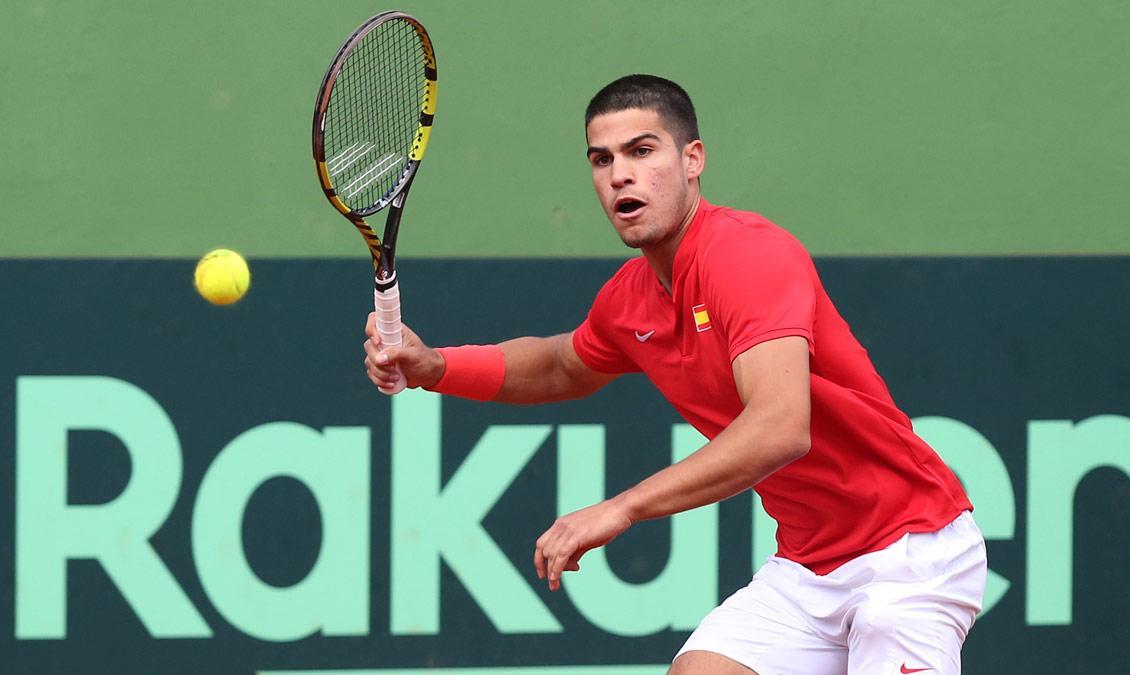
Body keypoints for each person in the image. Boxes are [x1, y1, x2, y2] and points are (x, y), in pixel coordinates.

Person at [363, 74, 986, 675]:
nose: (620, 175)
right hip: (810, 568)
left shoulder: (747, 255)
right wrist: (435, 366)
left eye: (641, 151)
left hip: (910, 555)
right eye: (601, 160)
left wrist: (623, 508)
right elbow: (560, 366)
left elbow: (780, 427)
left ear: (693, 160)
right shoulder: (631, 298)